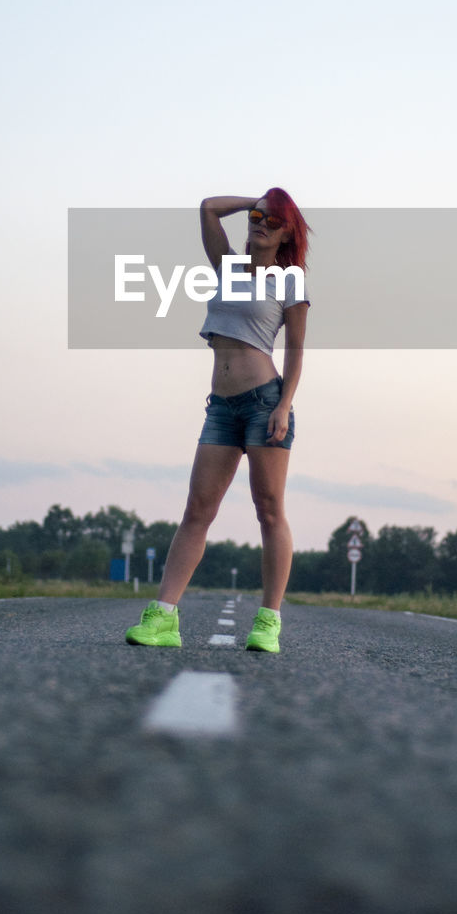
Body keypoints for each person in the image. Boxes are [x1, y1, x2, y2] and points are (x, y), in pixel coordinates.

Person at [125, 189, 311, 654]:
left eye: (272, 220)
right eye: (256, 216)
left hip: (264, 402)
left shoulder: (289, 281)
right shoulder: (227, 267)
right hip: (221, 408)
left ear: (287, 231)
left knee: (269, 510)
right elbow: (208, 206)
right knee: (197, 511)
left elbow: (296, 352)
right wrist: (263, 195)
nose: (260, 223)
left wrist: (284, 405)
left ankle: (269, 621)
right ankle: (163, 618)